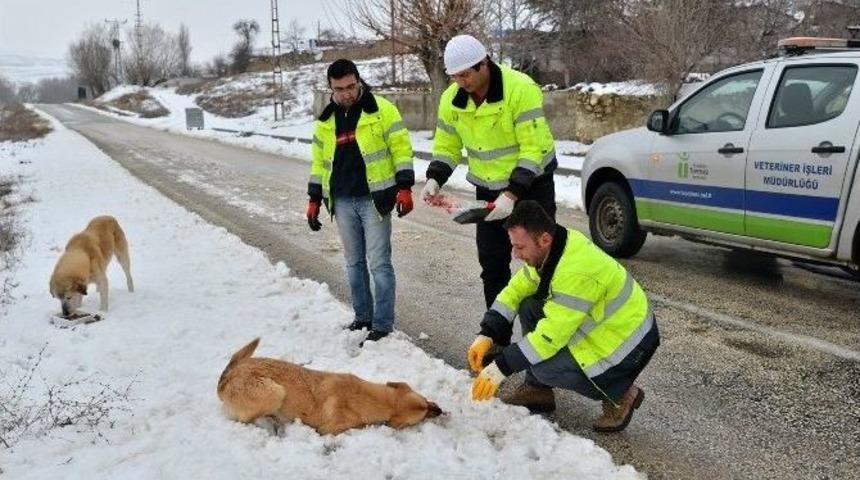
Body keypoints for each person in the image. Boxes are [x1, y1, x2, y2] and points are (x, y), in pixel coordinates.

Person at [468, 201, 660, 432]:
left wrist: (501, 367)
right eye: (514, 247)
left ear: (544, 239)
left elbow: (549, 338)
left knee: (544, 368)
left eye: (520, 247)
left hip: (626, 343)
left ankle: (620, 394)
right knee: (529, 305)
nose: (515, 255)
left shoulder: (574, 271)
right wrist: (487, 333)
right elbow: (515, 292)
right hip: (601, 324)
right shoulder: (550, 251)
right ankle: (537, 390)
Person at [422, 34, 558, 309]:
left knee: (544, 260)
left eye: (465, 75)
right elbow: (447, 146)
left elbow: (532, 149)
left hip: (532, 187)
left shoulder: (520, 88)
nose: (461, 82)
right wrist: (434, 178)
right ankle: (496, 338)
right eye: (455, 77)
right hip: (487, 191)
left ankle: (546, 333)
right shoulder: (451, 100)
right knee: (492, 264)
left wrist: (512, 195)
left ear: (483, 64)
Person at [307, 59, 414, 344]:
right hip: (341, 201)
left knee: (379, 264)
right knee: (354, 263)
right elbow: (319, 163)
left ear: (359, 81)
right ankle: (362, 318)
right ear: (330, 87)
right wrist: (314, 199)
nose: (346, 93)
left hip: (374, 200)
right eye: (339, 88)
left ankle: (382, 325)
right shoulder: (326, 120)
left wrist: (404, 187)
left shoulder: (381, 111)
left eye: (351, 86)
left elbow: (402, 149)